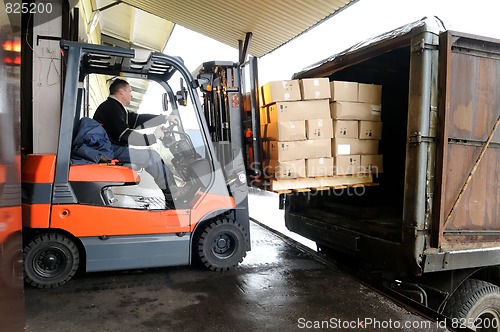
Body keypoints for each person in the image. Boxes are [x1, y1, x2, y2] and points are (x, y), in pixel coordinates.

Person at [93, 78, 181, 209]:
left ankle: (172, 192)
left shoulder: (115, 108)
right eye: (130, 90)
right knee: (152, 156)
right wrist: (153, 137)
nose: (132, 94)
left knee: (152, 155)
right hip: (110, 150)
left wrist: (164, 118)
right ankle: (173, 195)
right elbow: (126, 135)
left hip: (111, 148)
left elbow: (137, 120)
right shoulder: (111, 108)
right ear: (122, 92)